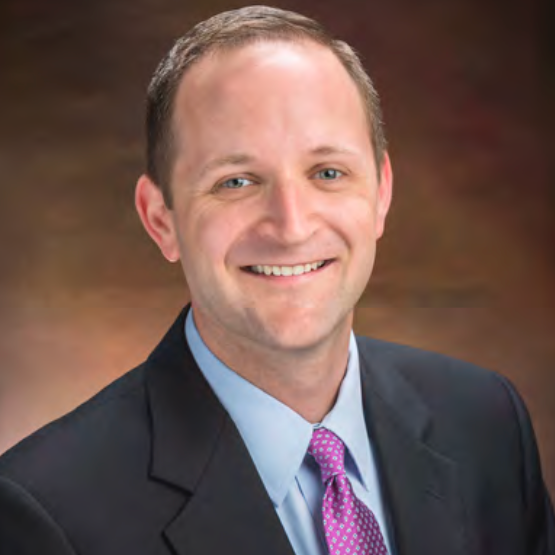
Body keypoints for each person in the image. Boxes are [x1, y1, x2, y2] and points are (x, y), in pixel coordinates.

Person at [0, 5, 553, 555]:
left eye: (328, 173)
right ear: (161, 219)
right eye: (236, 181)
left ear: (381, 193)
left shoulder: (487, 422)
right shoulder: (45, 515)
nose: (291, 227)